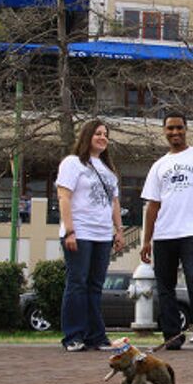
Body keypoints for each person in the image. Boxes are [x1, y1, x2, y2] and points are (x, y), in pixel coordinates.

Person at [140, 112, 193, 350]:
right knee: (164, 287)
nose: (175, 132)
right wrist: (146, 240)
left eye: (179, 128)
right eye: (170, 129)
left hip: (191, 232)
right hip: (164, 234)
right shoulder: (158, 165)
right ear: (164, 131)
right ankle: (172, 335)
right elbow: (152, 206)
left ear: (186, 129)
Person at [56, 119, 124, 352]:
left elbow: (114, 202)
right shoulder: (73, 163)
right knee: (77, 283)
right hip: (80, 232)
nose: (103, 137)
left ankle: (96, 336)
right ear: (87, 136)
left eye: (106, 134)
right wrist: (70, 230)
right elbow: (64, 197)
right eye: (98, 133)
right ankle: (73, 336)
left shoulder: (109, 170)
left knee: (95, 286)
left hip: (102, 235)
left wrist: (119, 230)